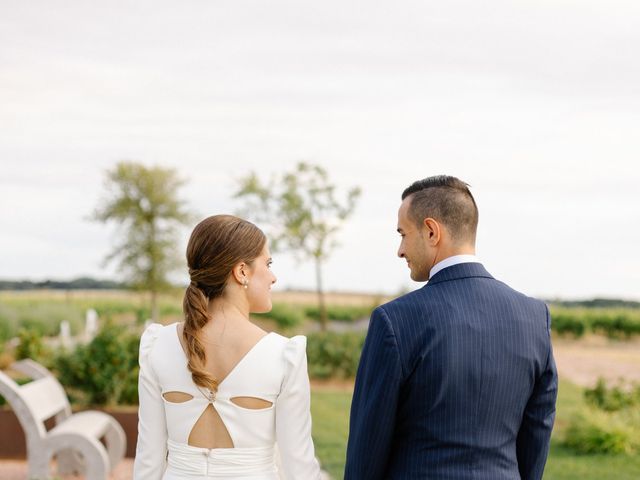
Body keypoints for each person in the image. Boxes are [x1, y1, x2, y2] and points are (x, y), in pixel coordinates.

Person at [345, 175, 558, 480]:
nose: (400, 250)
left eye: (403, 234)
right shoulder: (535, 317)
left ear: (431, 231)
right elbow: (538, 429)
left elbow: (368, 445)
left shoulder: (395, 320)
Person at [133, 214, 321, 480]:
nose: (273, 277)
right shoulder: (283, 355)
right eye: (267, 263)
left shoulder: (157, 346)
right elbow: (298, 466)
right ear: (242, 271)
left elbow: (148, 461)